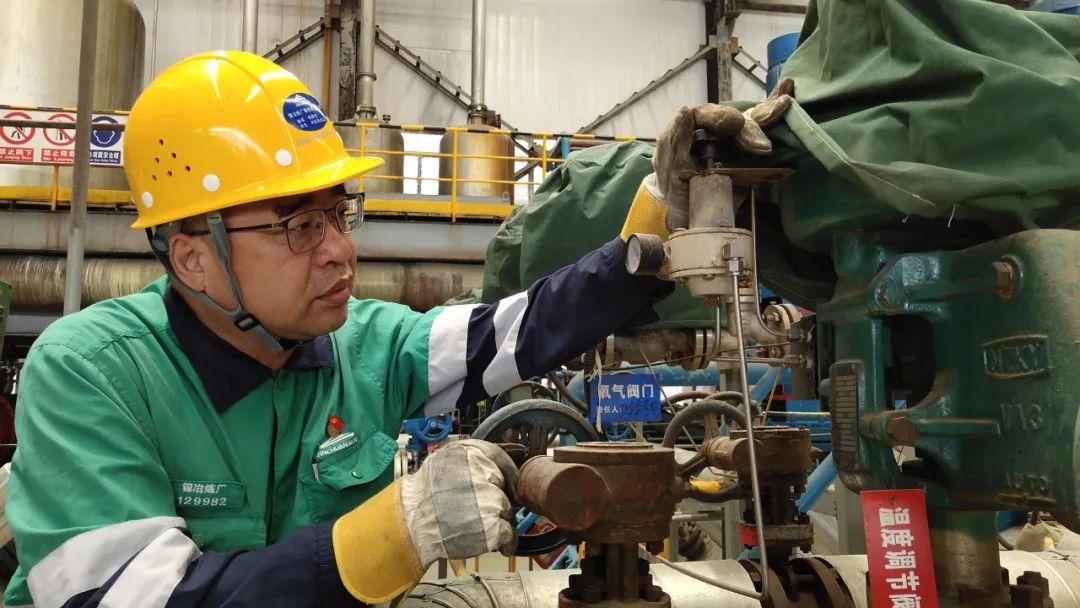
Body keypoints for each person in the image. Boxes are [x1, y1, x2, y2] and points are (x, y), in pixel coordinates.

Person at [3, 50, 790, 607]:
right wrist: (391, 537)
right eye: (298, 226)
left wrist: (662, 221)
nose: (340, 251)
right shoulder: (91, 371)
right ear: (193, 257)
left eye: (337, 216)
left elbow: (520, 329)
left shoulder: (366, 344)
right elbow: (124, 597)